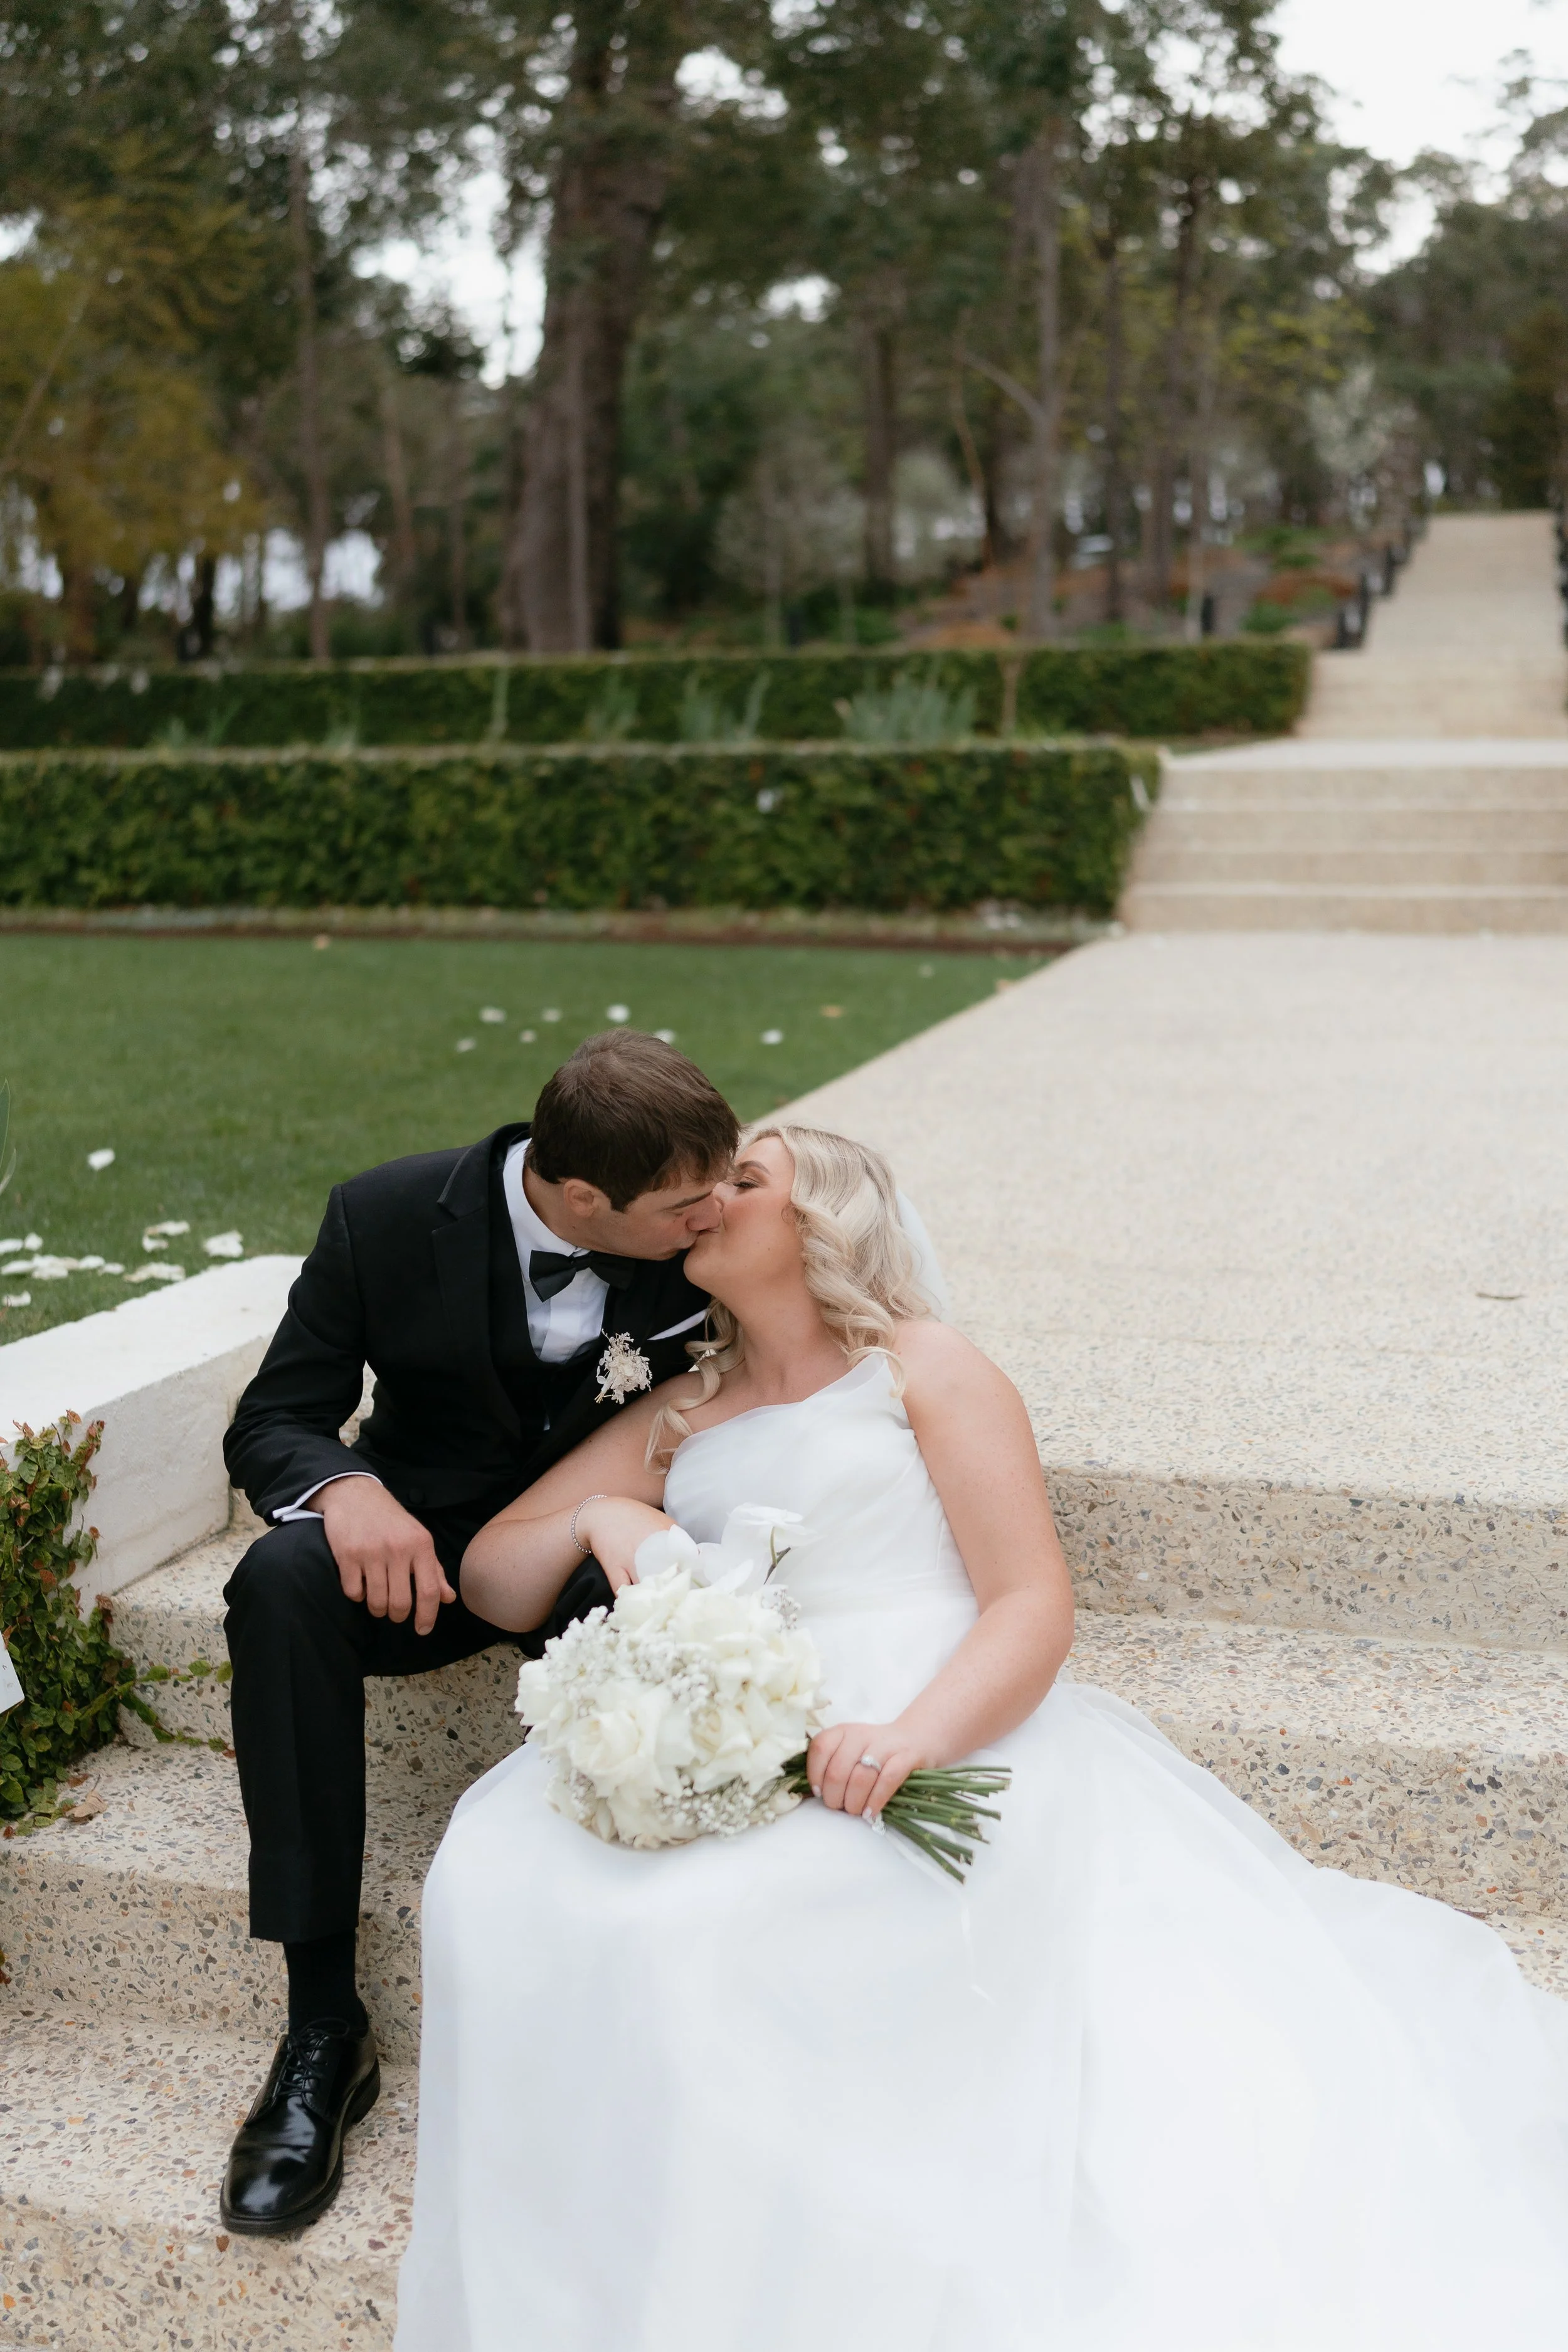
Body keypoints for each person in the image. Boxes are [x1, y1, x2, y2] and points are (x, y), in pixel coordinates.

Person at [395, 1123, 1568, 2352]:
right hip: (735, 1711)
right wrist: (598, 1513)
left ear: (821, 1221)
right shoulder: (687, 1403)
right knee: (505, 1870)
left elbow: (1029, 1604)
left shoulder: (922, 1367)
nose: (704, 1200)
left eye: (744, 1181)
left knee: (737, 1919)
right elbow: (491, 1577)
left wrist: (910, 1736)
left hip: (939, 1710)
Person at [218, 1030, 738, 2235]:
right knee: (280, 1578)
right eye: (680, 1204)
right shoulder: (386, 1214)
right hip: (417, 1562)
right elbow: (274, 1419)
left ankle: (625, 2008)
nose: (712, 1216)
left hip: (589, 1556)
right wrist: (346, 1490)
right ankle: (321, 2026)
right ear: (579, 1197)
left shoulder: (698, 1240)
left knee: (676, 1614)